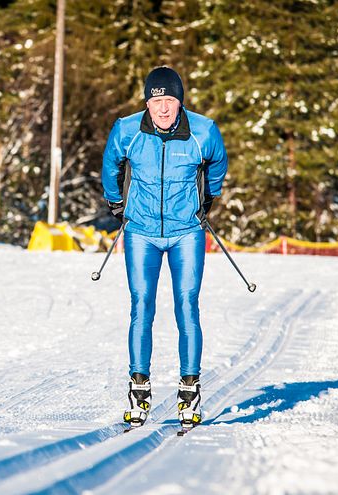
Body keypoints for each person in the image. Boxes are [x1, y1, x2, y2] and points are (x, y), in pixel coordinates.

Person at [101, 66, 228, 430]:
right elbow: (111, 164)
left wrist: (209, 197)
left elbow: (217, 162)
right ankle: (139, 388)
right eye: (156, 101)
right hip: (140, 231)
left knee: (187, 305)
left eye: (169, 100)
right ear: (147, 102)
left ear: (179, 101)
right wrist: (115, 203)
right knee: (142, 305)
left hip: (186, 231)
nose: (162, 108)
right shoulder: (127, 129)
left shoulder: (204, 130)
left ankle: (189, 389)